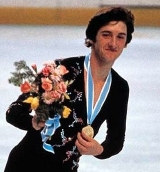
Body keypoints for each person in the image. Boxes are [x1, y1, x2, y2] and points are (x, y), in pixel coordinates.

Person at [4, 6, 135, 172]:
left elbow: (116, 141)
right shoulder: (62, 70)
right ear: (93, 37)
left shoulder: (119, 88)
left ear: (126, 43)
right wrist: (33, 123)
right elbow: (13, 111)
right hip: (26, 165)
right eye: (106, 34)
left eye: (120, 37)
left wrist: (99, 150)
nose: (113, 43)